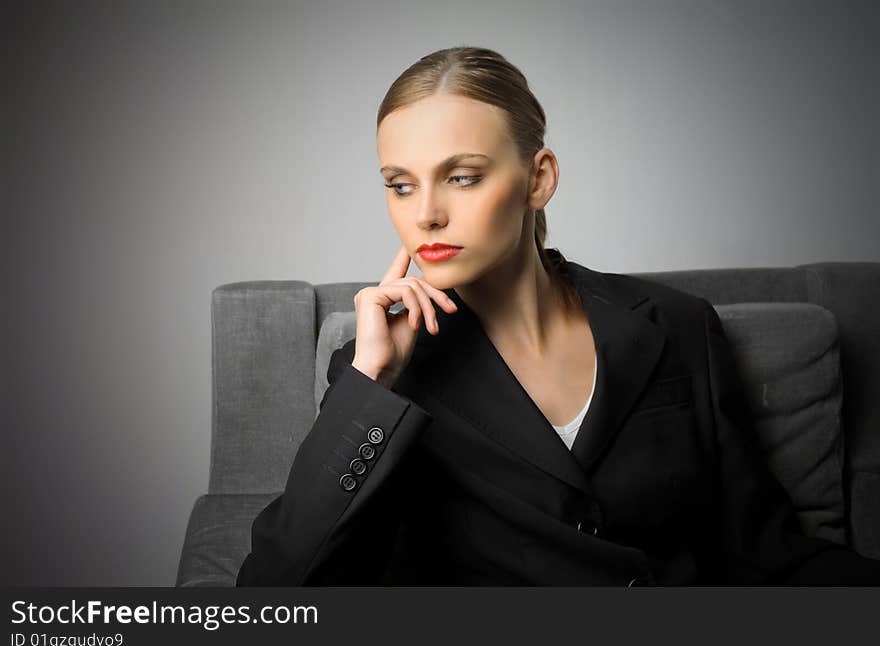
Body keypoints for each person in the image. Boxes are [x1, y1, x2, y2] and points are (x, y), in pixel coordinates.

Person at [236, 46, 880, 586]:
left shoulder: (677, 325)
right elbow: (275, 590)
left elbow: (765, 552)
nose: (425, 212)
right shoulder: (378, 376)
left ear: (538, 179)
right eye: (401, 184)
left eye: (461, 177)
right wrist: (371, 383)